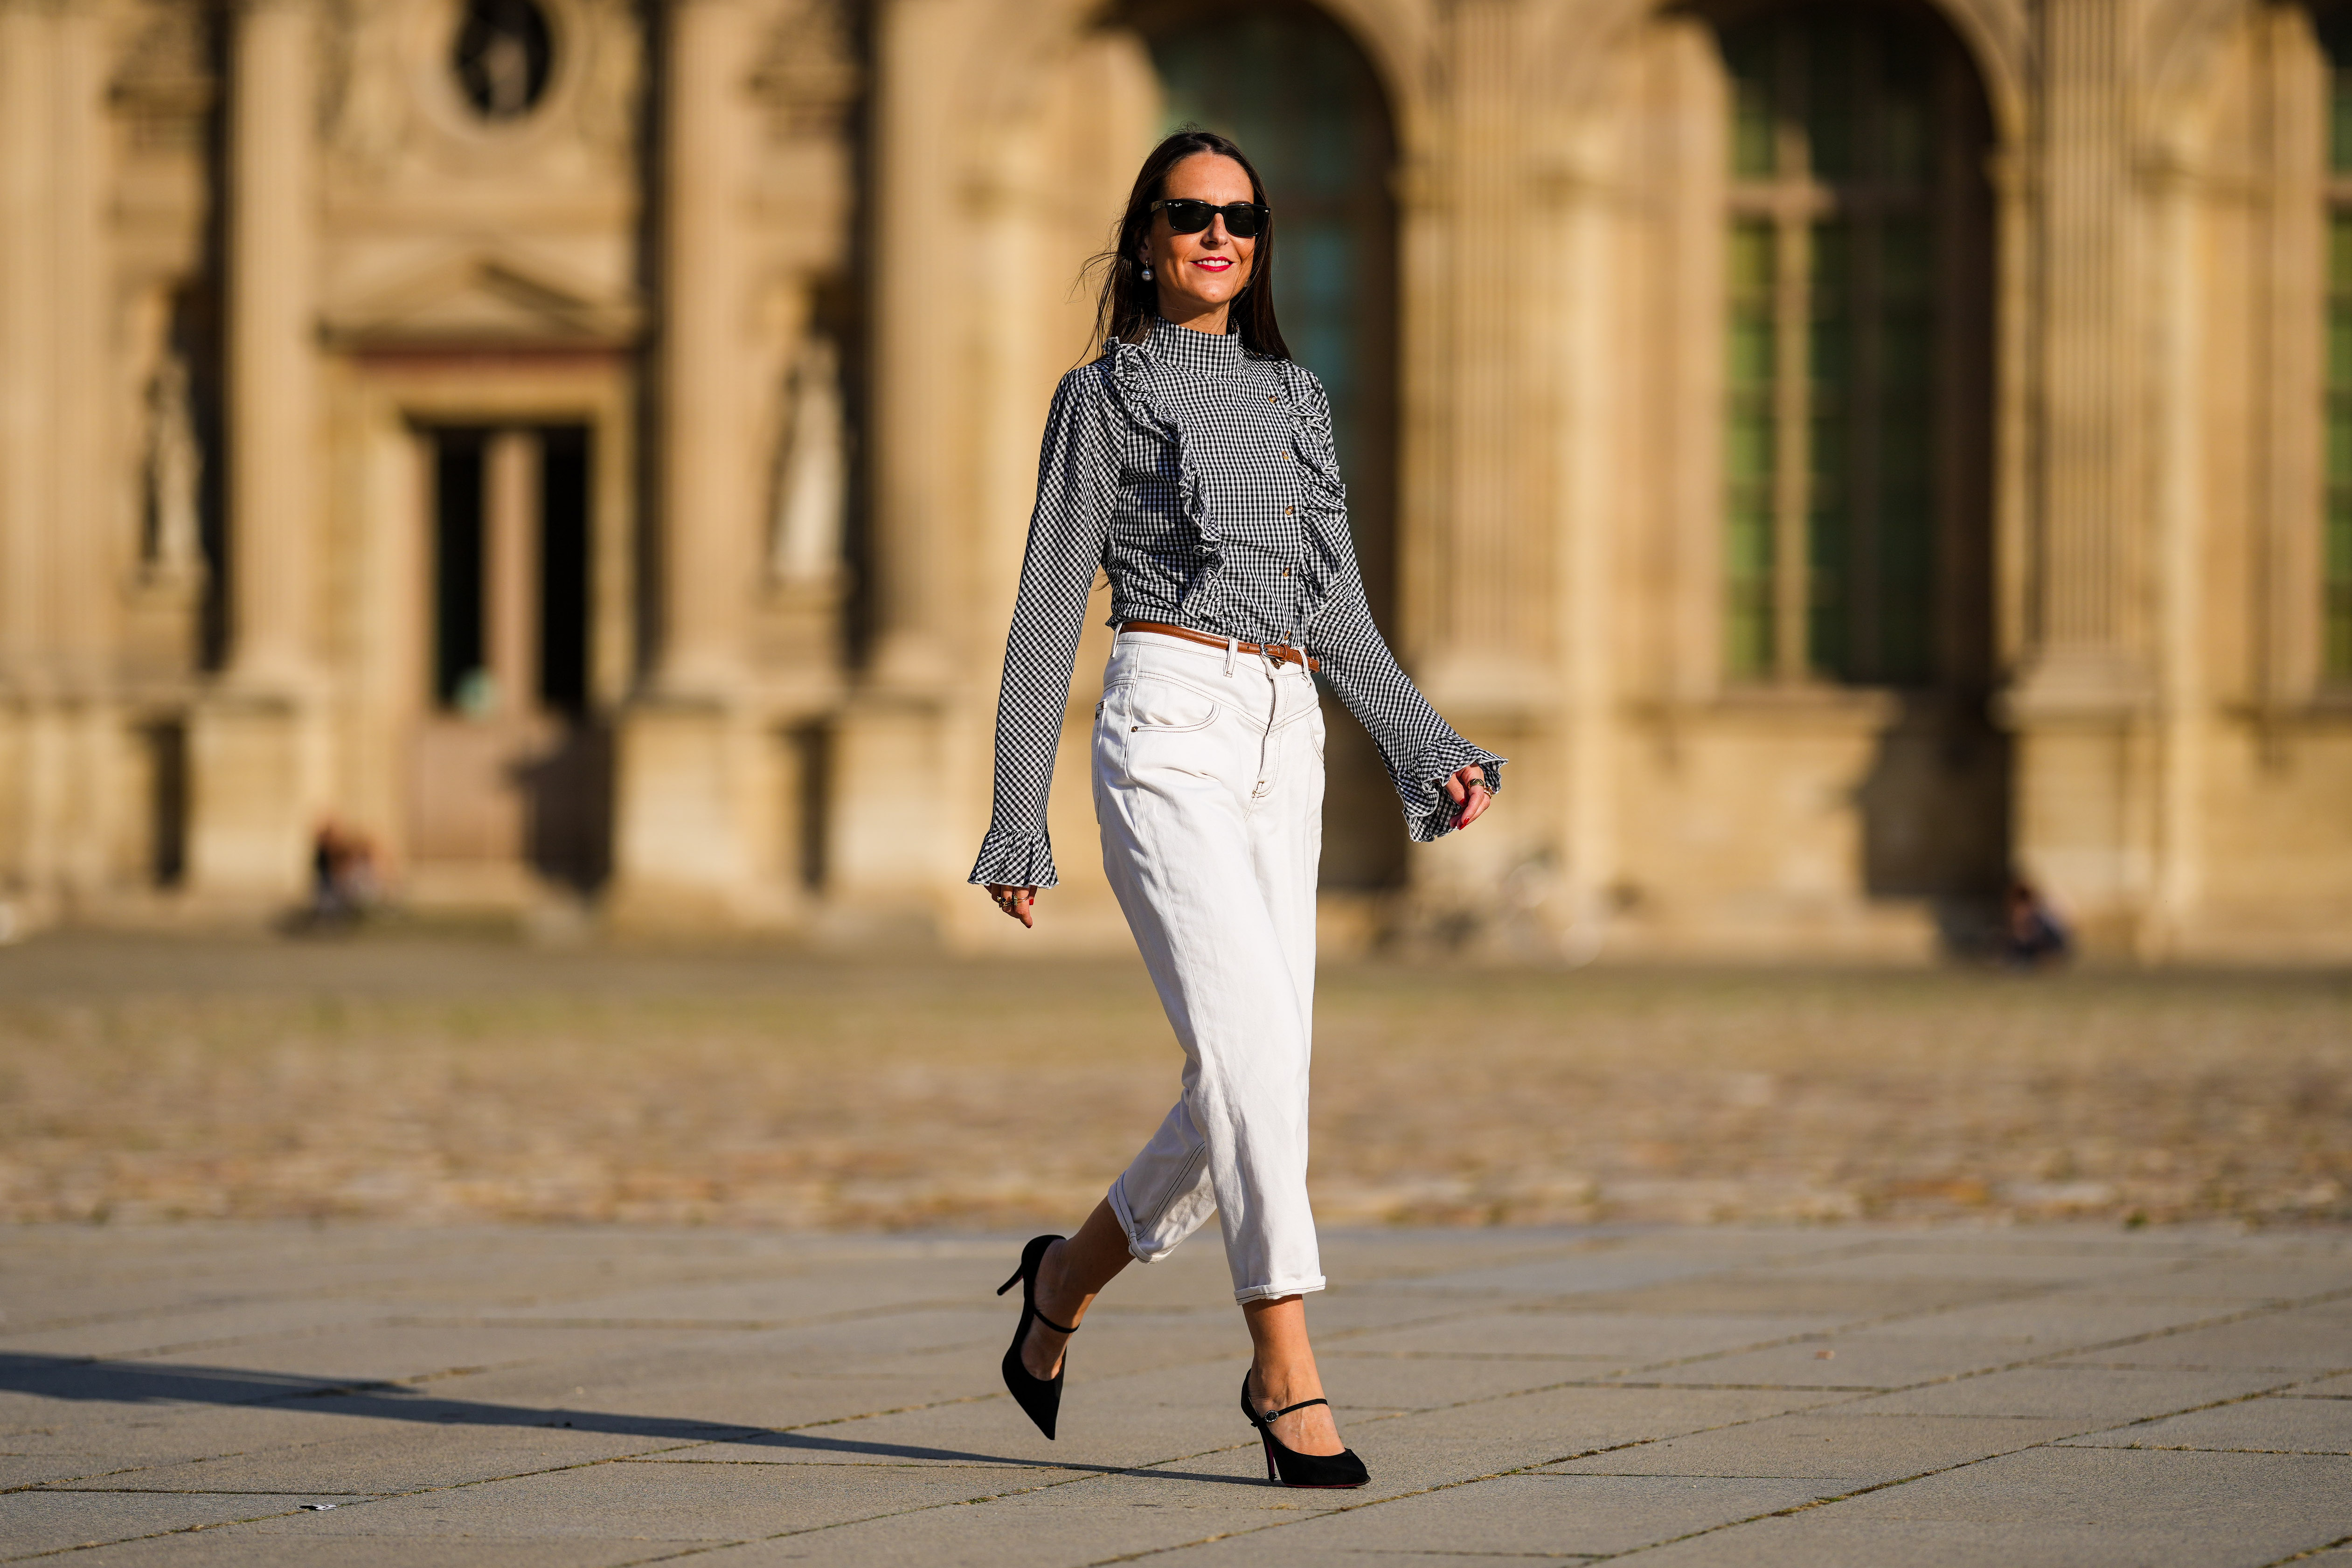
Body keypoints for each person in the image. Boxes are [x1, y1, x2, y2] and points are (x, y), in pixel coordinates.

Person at [969, 129, 1506, 1488]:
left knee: (1252, 1074)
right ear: (1144, 239)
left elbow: (1331, 599)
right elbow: (1045, 605)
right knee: (1254, 1055)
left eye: (1242, 219)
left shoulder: (1296, 399)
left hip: (1285, 739)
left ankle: (1063, 1284)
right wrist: (1013, 814)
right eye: (1188, 214)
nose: (1218, 236)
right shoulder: (1100, 398)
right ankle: (1286, 1365)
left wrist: (1420, 740)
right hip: (1166, 728)